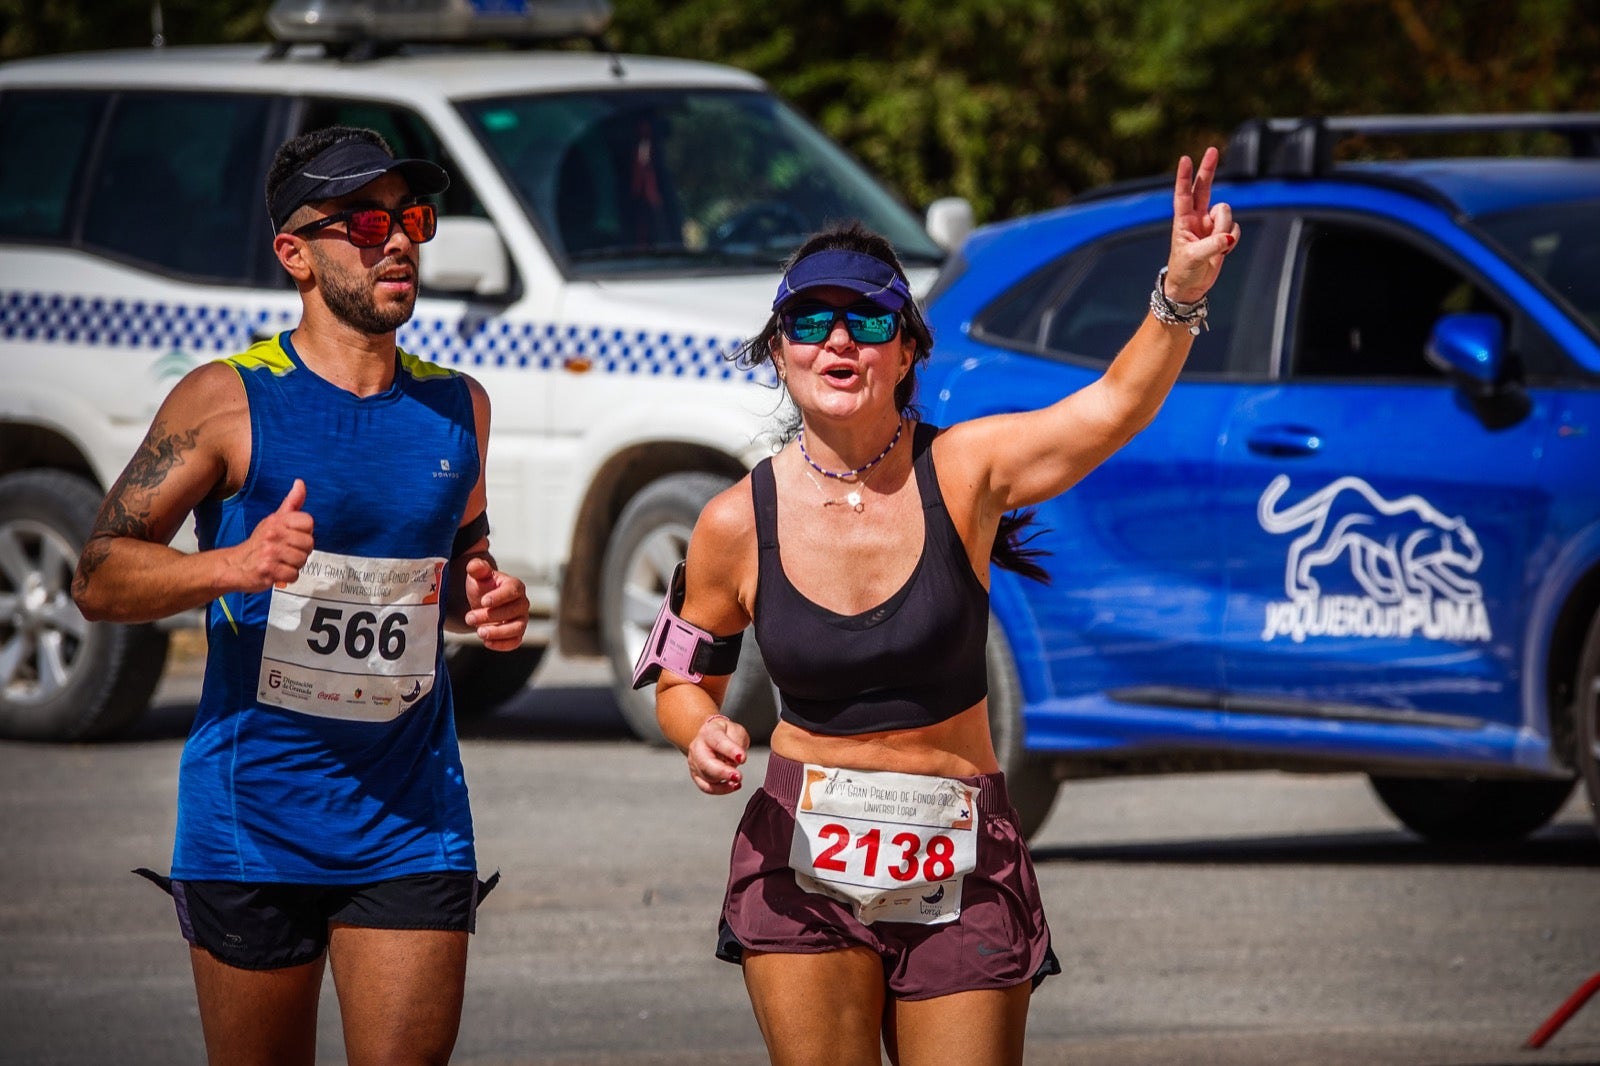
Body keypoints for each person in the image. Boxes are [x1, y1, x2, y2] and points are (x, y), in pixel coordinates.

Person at [646, 148, 1238, 1064]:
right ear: (779, 350)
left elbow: (1115, 407)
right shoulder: (734, 520)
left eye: (868, 319)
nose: (837, 341)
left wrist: (1179, 290)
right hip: (800, 855)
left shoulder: (965, 473)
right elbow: (681, 671)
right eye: (809, 320)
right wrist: (696, 730)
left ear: (908, 348)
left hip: (958, 851)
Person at [71, 126, 530, 1066]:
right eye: (364, 220)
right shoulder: (225, 400)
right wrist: (231, 567)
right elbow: (97, 575)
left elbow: (459, 572)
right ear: (296, 254)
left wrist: (492, 604)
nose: (397, 240)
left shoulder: (461, 407)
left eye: (411, 218)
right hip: (255, 818)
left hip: (415, 818)